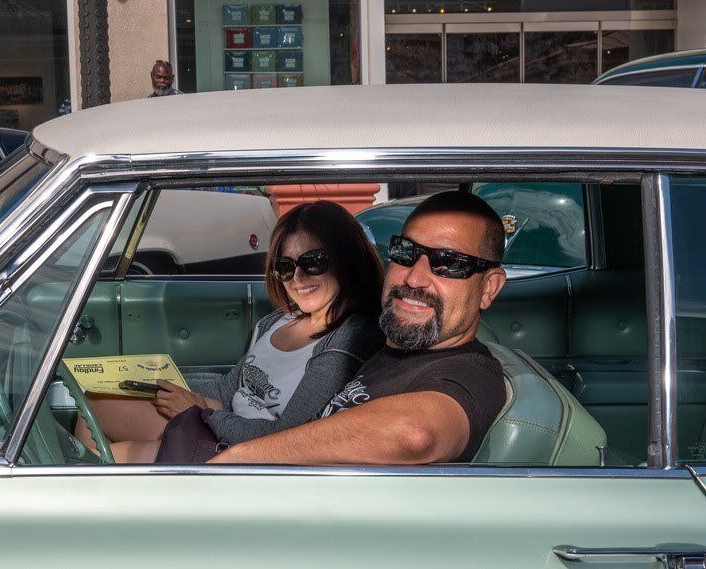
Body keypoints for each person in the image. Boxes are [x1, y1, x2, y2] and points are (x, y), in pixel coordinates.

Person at [210, 190, 509, 466]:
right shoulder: (392, 350)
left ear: (489, 288)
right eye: (405, 253)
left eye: (449, 262)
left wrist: (240, 455)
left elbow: (413, 434)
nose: (414, 279)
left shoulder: (469, 372)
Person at [77, 200, 385, 463]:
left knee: (107, 460)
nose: (297, 277)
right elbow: (230, 389)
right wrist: (158, 385)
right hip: (218, 424)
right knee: (90, 401)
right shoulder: (281, 319)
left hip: (243, 454)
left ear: (347, 260)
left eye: (313, 262)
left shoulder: (349, 338)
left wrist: (204, 412)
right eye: (285, 266)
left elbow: (288, 438)